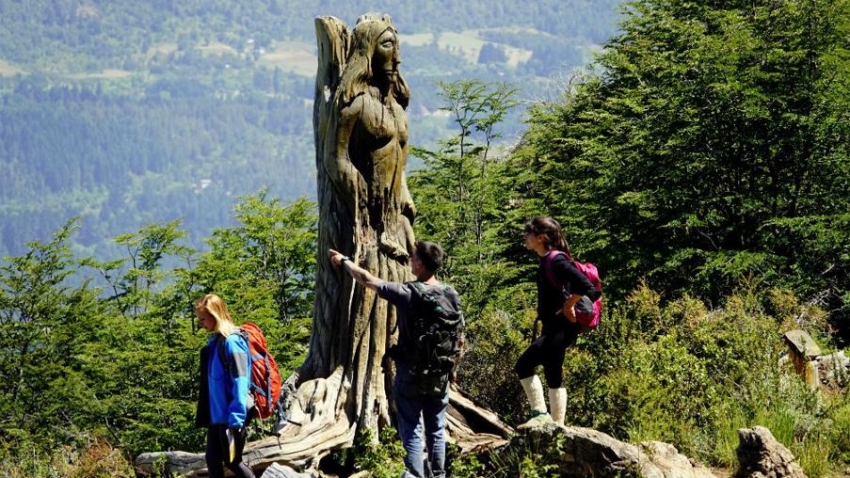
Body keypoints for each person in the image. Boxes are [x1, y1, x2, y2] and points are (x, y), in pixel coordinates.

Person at [329, 242, 463, 478]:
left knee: (412, 428)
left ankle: (415, 475)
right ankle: (438, 475)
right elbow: (459, 337)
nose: (410, 260)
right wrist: (453, 369)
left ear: (420, 263)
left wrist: (345, 261)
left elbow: (367, 279)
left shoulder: (409, 293)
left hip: (411, 374)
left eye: (413, 257)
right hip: (440, 374)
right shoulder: (450, 294)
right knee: (436, 429)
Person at [515, 216, 596, 428]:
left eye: (529, 233)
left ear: (541, 238)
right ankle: (557, 426)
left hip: (561, 327)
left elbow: (586, 286)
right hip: (556, 326)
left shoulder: (556, 260)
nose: (525, 237)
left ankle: (541, 414)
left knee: (523, 365)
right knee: (553, 372)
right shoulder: (547, 260)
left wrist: (569, 305)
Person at [194, 293, 256, 478]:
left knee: (233, 462)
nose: (200, 324)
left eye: (203, 319)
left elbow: (241, 380)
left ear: (215, 315)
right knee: (212, 461)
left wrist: (237, 417)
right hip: (216, 418)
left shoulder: (233, 342)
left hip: (231, 417)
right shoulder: (215, 342)